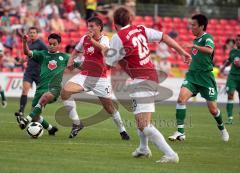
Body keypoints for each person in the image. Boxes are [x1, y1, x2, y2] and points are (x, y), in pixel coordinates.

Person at [105, 7, 191, 163]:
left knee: (143, 124)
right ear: (129, 20)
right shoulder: (140, 29)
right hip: (150, 75)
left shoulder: (119, 37)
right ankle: (143, 148)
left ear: (114, 23)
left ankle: (171, 154)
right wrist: (181, 52)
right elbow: (164, 36)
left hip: (143, 80)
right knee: (141, 120)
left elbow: (109, 62)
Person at [61, 17, 130, 140]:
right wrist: (70, 61)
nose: (89, 28)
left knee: (109, 108)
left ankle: (122, 131)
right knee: (65, 92)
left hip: (101, 79)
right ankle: (77, 123)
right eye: (88, 26)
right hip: (85, 75)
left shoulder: (105, 39)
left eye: (92, 26)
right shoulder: (84, 38)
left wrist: (91, 40)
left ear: (99, 27)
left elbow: (104, 50)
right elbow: (75, 51)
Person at [168, 14, 229, 142]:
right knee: (180, 99)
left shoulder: (207, 38)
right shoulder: (195, 40)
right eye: (191, 25)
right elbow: (199, 56)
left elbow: (209, 50)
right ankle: (180, 132)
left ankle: (222, 128)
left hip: (206, 78)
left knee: (213, 109)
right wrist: (190, 58)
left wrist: (193, 46)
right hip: (192, 76)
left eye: (194, 25)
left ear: (201, 26)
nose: (191, 27)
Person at [15, 33, 70, 136]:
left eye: (54, 44)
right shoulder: (42, 54)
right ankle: (51, 129)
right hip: (40, 88)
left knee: (46, 96)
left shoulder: (65, 57)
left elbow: (79, 64)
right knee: (35, 116)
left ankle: (26, 120)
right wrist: (24, 42)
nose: (51, 46)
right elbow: (27, 52)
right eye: (50, 43)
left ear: (59, 45)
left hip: (54, 88)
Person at [15, 27, 48, 118]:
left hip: (39, 72)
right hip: (29, 71)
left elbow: (48, 54)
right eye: (30, 33)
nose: (32, 34)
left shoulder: (41, 44)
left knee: (41, 94)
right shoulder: (28, 44)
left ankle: (37, 113)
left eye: (34, 32)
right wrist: (21, 61)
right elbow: (28, 56)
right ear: (28, 34)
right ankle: (21, 111)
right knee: (25, 90)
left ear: (37, 34)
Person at [220, 34, 240, 124]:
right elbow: (229, 60)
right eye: (237, 40)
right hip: (232, 76)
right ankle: (230, 118)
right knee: (230, 94)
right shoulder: (233, 51)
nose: (238, 41)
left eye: (239, 40)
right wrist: (223, 67)